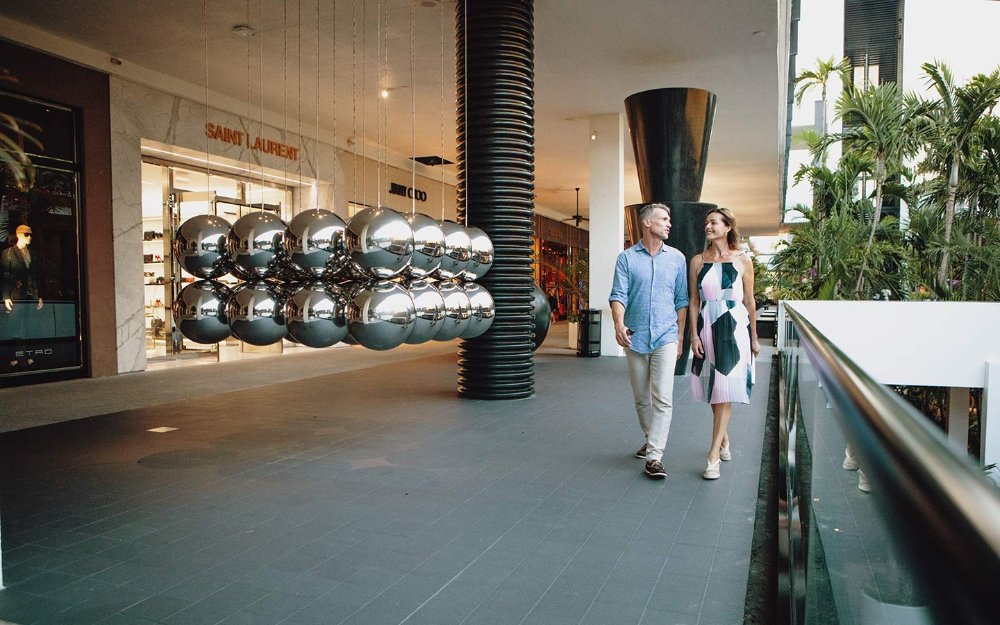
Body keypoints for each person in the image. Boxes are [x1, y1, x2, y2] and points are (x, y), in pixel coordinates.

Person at [610, 203, 688, 480]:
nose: (669, 224)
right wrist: (619, 323)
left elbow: (682, 300)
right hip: (635, 335)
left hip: (666, 335)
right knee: (642, 397)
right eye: (664, 219)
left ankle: (654, 456)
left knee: (663, 397)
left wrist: (679, 336)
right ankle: (650, 438)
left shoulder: (677, 258)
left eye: (669, 219)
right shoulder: (627, 258)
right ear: (647, 223)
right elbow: (618, 295)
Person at [688, 207, 759, 480]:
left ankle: (713, 455)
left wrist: (753, 338)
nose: (708, 226)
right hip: (707, 323)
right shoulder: (698, 261)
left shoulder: (742, 260)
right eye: (706, 222)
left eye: (714, 222)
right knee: (712, 388)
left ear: (728, 227)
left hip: (734, 326)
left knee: (726, 387)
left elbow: (750, 301)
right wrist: (693, 334)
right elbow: (694, 301)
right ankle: (724, 437)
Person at [2, 224, 44, 367]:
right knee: (14, 327)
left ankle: (29, 355)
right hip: (16, 295)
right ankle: (13, 356)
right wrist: (6, 296)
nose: (29, 237)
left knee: (30, 327)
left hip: (30, 295)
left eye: (30, 234)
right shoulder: (8, 253)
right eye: (26, 234)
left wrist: (38, 295)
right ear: (19, 235)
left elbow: (35, 276)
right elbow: (5, 276)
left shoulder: (33, 254)